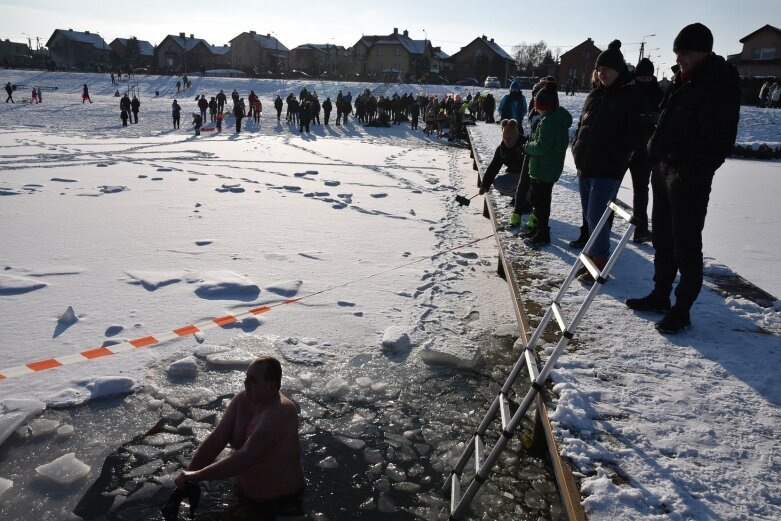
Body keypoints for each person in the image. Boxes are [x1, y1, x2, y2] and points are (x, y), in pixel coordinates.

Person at [626, 23, 740, 334]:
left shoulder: (720, 83)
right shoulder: (682, 80)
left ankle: (682, 308)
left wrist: (690, 171)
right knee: (663, 239)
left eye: (684, 53)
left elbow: (719, 140)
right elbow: (666, 121)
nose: (679, 59)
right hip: (663, 170)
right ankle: (661, 294)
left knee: (686, 246)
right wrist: (654, 152)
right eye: (677, 53)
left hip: (689, 178)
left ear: (704, 51)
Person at [174, 357, 305, 518]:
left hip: (279, 504)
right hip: (241, 496)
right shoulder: (242, 400)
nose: (246, 383)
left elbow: (247, 456)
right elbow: (217, 439)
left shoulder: (280, 411)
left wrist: (199, 475)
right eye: (246, 378)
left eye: (253, 380)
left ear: (271, 386)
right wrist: (189, 477)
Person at [570, 40, 643, 283]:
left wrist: (614, 154)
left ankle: (599, 260)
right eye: (600, 69)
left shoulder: (628, 96)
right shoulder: (594, 94)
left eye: (608, 70)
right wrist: (577, 148)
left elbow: (634, 133)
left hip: (607, 169)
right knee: (588, 215)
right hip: (586, 165)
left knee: (596, 214)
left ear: (618, 71)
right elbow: (583, 125)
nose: (603, 73)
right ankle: (591, 258)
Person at [510, 83, 572, 246]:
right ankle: (538, 229)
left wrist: (526, 147)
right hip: (549, 169)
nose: (536, 110)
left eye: (538, 106)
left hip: (542, 170)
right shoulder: (557, 120)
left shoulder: (547, 123)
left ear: (543, 106)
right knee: (542, 202)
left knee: (540, 204)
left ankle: (542, 233)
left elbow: (541, 146)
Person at [628, 57, 664, 243]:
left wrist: (651, 119)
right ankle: (603, 225)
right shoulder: (628, 91)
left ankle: (640, 229)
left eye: (648, 78)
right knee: (611, 188)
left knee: (641, 190)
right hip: (625, 147)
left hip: (645, 149)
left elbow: (663, 116)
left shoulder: (658, 93)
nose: (645, 81)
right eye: (642, 78)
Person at [478, 119, 526, 198]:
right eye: (505, 137)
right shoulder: (502, 148)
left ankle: (526, 199)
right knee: (498, 183)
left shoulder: (525, 145)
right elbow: (493, 167)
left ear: (516, 137)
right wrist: (485, 185)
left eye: (510, 138)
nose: (507, 141)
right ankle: (518, 197)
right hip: (514, 175)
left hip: (528, 176)